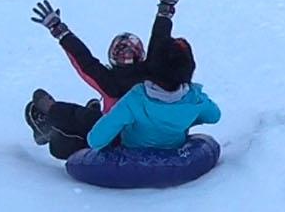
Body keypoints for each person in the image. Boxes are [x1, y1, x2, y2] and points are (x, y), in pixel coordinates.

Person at [26, 0, 185, 160]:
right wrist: (165, 11)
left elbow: (84, 60)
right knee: (95, 119)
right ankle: (85, 113)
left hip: (115, 140)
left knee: (73, 126)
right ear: (141, 54)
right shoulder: (153, 72)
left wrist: (59, 30)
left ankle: (49, 114)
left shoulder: (109, 81)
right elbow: (159, 41)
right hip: (153, 134)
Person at [84, 35, 220, 150]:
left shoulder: (136, 98)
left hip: (133, 154)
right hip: (173, 149)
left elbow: (95, 140)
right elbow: (214, 116)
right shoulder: (195, 99)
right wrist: (185, 118)